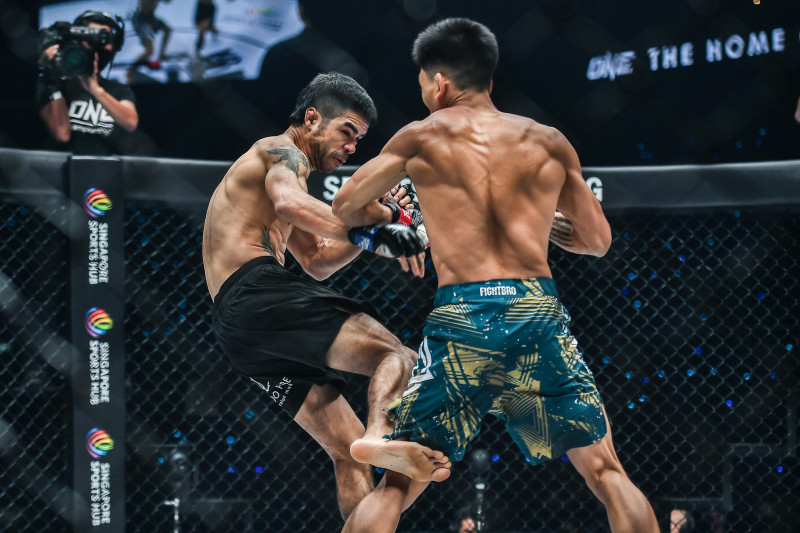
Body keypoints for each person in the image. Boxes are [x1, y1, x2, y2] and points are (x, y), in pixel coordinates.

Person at [332, 18, 659, 533]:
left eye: (422, 83)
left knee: (398, 482)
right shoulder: (547, 141)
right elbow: (598, 241)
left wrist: (402, 212)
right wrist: (546, 225)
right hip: (534, 310)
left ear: (440, 81)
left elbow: (346, 206)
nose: (424, 94)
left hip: (464, 315)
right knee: (605, 470)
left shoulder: (420, 137)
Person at [202, 72, 450, 521]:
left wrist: (378, 221)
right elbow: (287, 203)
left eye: (359, 140)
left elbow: (317, 261)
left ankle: (368, 456)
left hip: (241, 330)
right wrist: (378, 232)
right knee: (398, 356)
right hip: (257, 292)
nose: (352, 147)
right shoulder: (281, 152)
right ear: (313, 119)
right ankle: (380, 433)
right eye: (347, 132)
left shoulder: (283, 176)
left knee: (347, 451)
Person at [36, 10, 138, 155]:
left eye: (103, 39)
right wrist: (53, 80)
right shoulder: (54, 84)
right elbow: (61, 134)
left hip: (105, 166)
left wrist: (95, 89)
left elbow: (130, 123)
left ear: (114, 47)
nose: (96, 47)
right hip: (62, 166)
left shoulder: (119, 90)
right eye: (90, 38)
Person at [131, 0, 172, 71]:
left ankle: (162, 54)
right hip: (142, 20)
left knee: (167, 30)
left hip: (150, 18)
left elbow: (168, 1)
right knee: (150, 51)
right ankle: (131, 70)